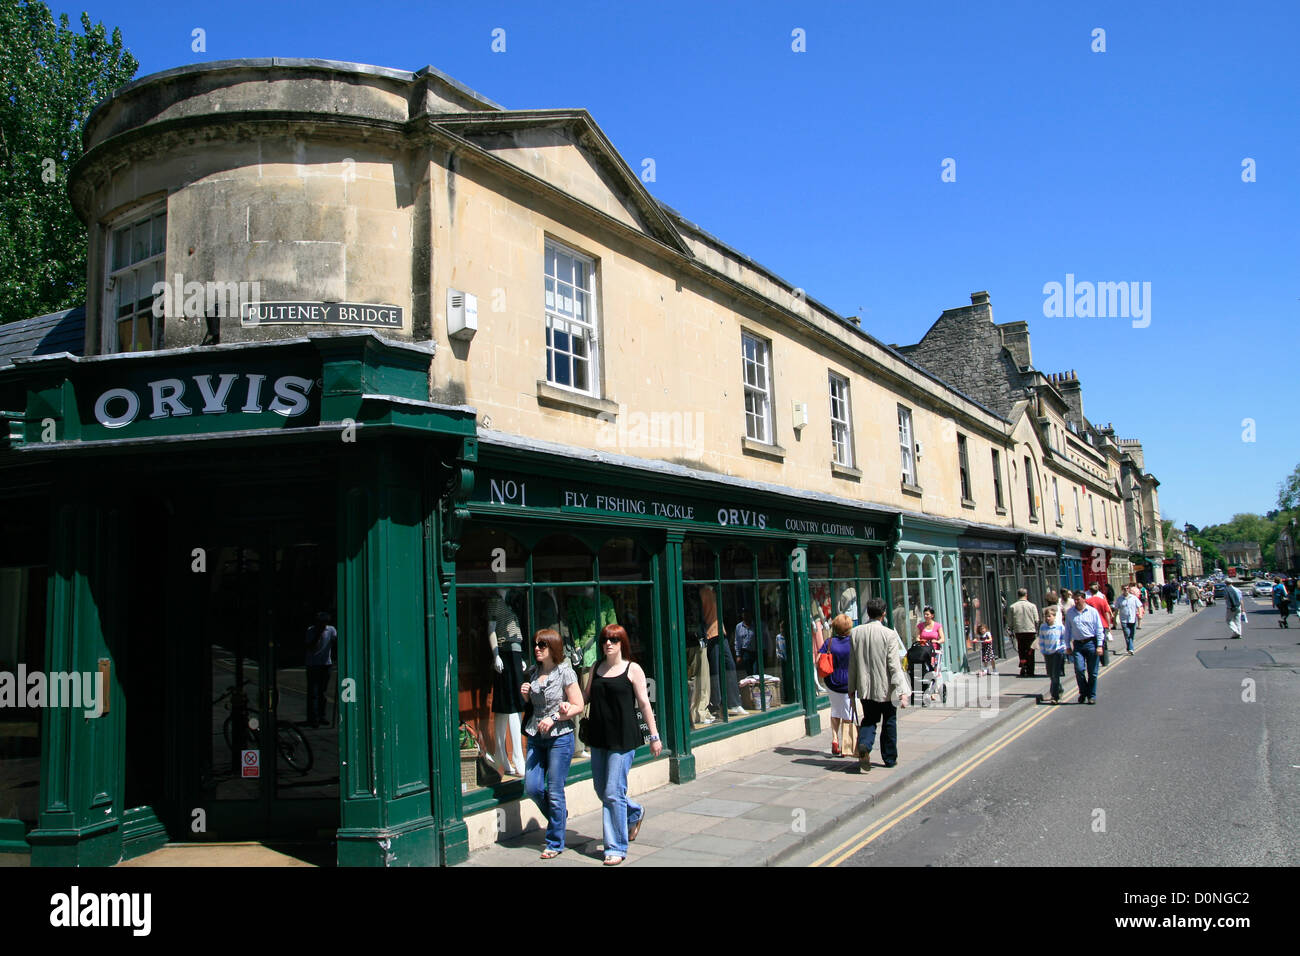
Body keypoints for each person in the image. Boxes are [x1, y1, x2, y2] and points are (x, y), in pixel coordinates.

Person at [583, 623, 662, 865]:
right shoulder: (596, 667)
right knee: (601, 789)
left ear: (622, 644)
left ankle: (615, 847)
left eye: (614, 640)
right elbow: (584, 697)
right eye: (605, 639)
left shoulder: (632, 669)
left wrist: (654, 736)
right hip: (599, 737)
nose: (608, 643)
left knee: (612, 792)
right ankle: (635, 811)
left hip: (623, 739)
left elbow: (644, 704)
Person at [520, 629, 584, 859]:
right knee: (533, 787)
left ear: (553, 648)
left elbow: (578, 704)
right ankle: (559, 817)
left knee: (555, 790)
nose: (537, 648)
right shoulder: (532, 672)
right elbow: (534, 706)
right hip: (536, 736)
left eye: (542, 645)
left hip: (560, 737)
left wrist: (556, 716)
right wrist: (526, 694)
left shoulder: (565, 672)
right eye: (536, 644)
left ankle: (555, 842)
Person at [847, 597, 910, 772]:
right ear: (883, 614)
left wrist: (851, 688)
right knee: (889, 721)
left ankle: (865, 745)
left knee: (869, 719)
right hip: (886, 689)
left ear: (868, 613)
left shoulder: (856, 632)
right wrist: (902, 691)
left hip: (865, 688)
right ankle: (889, 758)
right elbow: (894, 665)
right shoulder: (889, 634)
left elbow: (852, 663)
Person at [821, 614, 855, 757]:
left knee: (835, 710)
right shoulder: (853, 642)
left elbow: (819, 659)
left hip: (831, 681)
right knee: (847, 713)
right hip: (848, 682)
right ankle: (846, 745)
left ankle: (835, 739)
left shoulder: (829, 642)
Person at [1064, 591, 1105, 704]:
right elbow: (1067, 630)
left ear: (1084, 599)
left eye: (1078, 599)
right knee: (1079, 670)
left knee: (1092, 672)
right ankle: (1083, 692)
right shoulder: (1070, 613)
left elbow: (1099, 629)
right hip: (1077, 644)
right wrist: (1067, 646)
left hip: (1091, 643)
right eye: (1074, 599)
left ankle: (1091, 695)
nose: (1076, 602)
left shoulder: (1092, 612)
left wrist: (1100, 645)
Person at [304, 611, 336, 727]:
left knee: (322, 692)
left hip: (325, 664)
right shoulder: (311, 630)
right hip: (313, 664)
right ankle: (313, 718)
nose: (323, 626)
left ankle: (322, 716)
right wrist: (318, 634)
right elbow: (310, 646)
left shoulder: (331, 630)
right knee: (313, 692)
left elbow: (335, 640)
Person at [1037, 604, 1068, 704]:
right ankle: (1059, 689)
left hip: (1057, 653)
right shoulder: (1043, 627)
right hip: (1047, 653)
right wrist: (1043, 650)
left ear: (1054, 616)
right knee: (1050, 674)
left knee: (1055, 675)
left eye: (1050, 616)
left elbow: (1063, 638)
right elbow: (1041, 639)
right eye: (1046, 616)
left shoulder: (1059, 627)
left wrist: (1062, 649)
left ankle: (1055, 697)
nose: (1048, 618)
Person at [1008, 588, 1040, 678]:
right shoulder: (1032, 606)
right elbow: (1037, 620)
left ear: (1018, 595)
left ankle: (1023, 667)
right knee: (1030, 650)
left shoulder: (1013, 606)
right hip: (1030, 631)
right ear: (1026, 595)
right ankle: (1030, 670)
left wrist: (1011, 629)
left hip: (1019, 631)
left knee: (1021, 650)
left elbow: (1010, 622)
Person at [915, 606, 945, 700]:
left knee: (934, 671)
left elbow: (942, 638)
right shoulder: (920, 626)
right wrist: (920, 641)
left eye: (927, 614)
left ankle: (934, 690)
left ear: (932, 615)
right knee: (926, 670)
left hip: (934, 652)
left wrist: (937, 641)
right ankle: (927, 689)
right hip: (923, 651)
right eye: (924, 614)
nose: (925, 616)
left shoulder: (937, 626)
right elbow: (917, 637)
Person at [1085, 583, 1114, 667]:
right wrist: (1108, 625)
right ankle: (1105, 661)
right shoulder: (1103, 600)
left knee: (1094, 643)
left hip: (1092, 625)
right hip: (1103, 624)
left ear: (1090, 591)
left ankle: (1095, 662)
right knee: (1103, 643)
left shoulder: (1087, 601)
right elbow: (1107, 613)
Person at [1116, 586, 1142, 655]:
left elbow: (1139, 606)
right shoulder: (1119, 599)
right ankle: (1131, 649)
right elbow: (1116, 609)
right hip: (1124, 620)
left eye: (1127, 588)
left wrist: (1140, 614)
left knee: (1132, 635)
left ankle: (1129, 647)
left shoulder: (1133, 598)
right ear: (1122, 590)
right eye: (1124, 589)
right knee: (1127, 635)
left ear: (1129, 589)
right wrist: (1115, 619)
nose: (1126, 590)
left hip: (1132, 619)